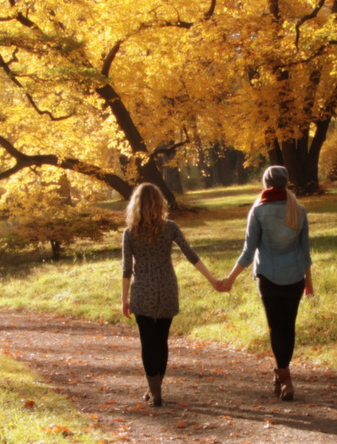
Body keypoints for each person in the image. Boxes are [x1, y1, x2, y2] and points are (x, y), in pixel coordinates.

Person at [120, 182, 225, 407]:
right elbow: (191, 254)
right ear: (159, 203)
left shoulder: (130, 233)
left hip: (143, 292)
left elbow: (127, 269)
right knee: (161, 341)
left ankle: (154, 390)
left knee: (147, 343)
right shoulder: (170, 228)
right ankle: (155, 388)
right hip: (167, 288)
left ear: (135, 205)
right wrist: (212, 279)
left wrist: (124, 298)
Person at [222, 165, 314, 401]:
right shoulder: (299, 209)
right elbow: (305, 251)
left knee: (276, 328)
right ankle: (283, 374)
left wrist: (230, 279)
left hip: (268, 278)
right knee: (288, 327)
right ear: (286, 183)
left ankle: (284, 376)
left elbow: (248, 251)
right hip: (295, 277)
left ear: (266, 184)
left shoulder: (259, 210)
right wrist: (308, 283)